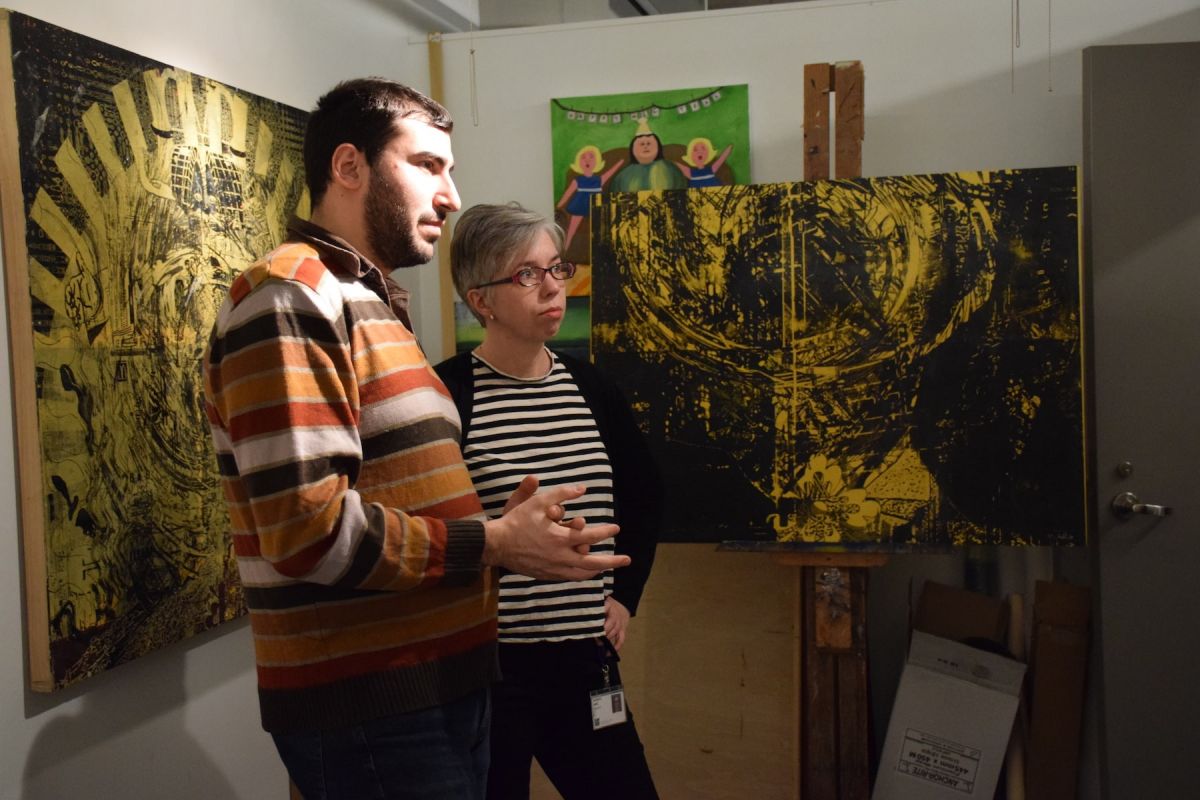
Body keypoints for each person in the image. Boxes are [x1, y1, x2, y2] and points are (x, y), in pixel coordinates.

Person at [202, 79, 630, 800]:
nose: (452, 196)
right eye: (428, 165)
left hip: (439, 689)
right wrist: (492, 542)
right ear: (349, 167)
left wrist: (505, 539)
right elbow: (307, 532)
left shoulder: (371, 303)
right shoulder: (289, 296)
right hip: (375, 708)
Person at [435, 201, 662, 800]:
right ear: (480, 299)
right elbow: (431, 529)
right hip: (490, 668)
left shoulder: (591, 388)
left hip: (585, 660)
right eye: (527, 275)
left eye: (557, 268)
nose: (552, 287)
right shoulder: (449, 394)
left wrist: (625, 598)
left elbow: (644, 496)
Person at [556, 144, 624, 252]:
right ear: (578, 162)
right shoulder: (578, 180)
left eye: (591, 157)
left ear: (597, 162)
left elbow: (610, 173)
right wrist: (559, 205)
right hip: (579, 205)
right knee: (571, 230)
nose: (587, 160)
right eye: (583, 157)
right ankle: (565, 250)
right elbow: (568, 193)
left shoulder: (598, 180)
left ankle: (603, 251)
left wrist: (619, 163)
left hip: (595, 206)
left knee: (600, 230)